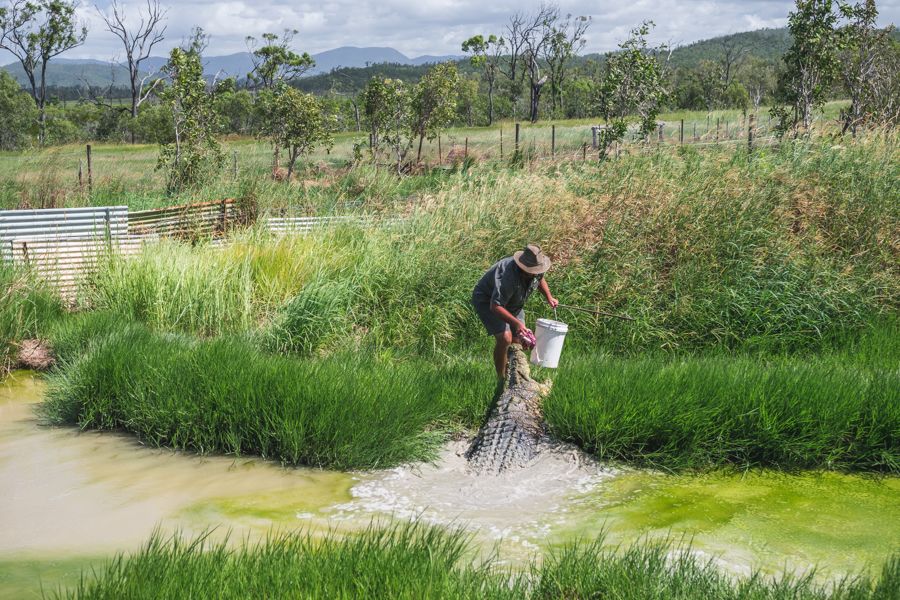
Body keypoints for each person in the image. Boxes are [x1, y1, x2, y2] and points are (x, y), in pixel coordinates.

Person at [472, 244, 558, 378]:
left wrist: (549, 297)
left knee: (518, 341)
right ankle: (501, 378)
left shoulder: (535, 270)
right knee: (505, 338)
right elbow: (496, 306)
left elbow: (540, 279)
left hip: (513, 303)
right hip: (487, 300)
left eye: (538, 270)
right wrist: (517, 324)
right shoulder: (508, 276)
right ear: (523, 267)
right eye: (533, 270)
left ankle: (513, 375)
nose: (537, 272)